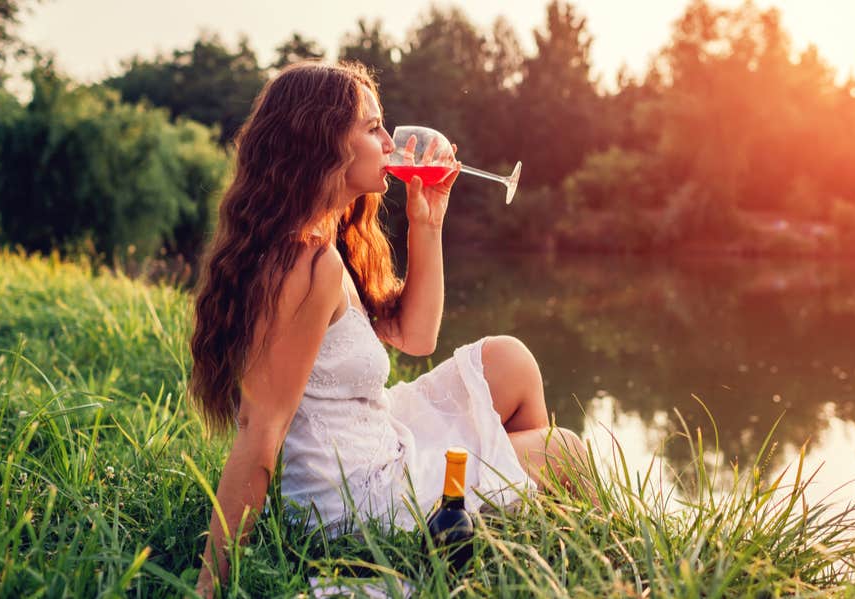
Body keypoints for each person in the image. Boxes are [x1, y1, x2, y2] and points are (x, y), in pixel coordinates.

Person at [187, 61, 591, 596]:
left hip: (380, 439)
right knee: (567, 452)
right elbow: (257, 431)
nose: (389, 141)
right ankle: (531, 536)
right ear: (326, 143)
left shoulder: (323, 243)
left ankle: (511, 508)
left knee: (509, 360)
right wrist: (210, 584)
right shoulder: (307, 267)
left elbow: (416, 338)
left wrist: (428, 221)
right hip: (359, 500)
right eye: (373, 127)